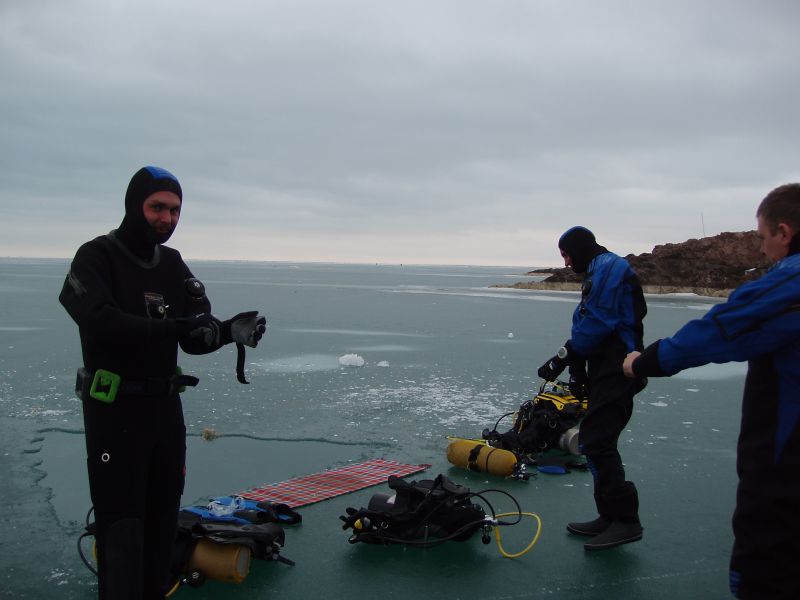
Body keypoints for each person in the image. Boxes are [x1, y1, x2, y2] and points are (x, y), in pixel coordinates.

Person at [59, 166, 267, 599]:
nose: (167, 218)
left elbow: (193, 335)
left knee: (160, 525)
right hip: (115, 414)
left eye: (175, 210)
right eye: (157, 207)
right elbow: (101, 323)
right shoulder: (96, 257)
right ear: (134, 205)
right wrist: (177, 327)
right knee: (122, 530)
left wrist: (227, 331)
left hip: (164, 413)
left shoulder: (172, 264)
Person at [623, 183, 800, 599]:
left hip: (785, 461)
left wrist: (642, 363)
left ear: (784, 232)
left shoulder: (788, 285)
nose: (761, 249)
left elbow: (720, 331)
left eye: (762, 237)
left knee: (768, 567)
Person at [537, 226, 647, 550]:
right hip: (604, 366)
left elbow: (599, 320)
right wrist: (576, 367)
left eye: (567, 255)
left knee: (598, 440)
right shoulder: (597, 271)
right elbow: (585, 322)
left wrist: (564, 357)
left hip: (620, 365)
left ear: (580, 249)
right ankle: (609, 516)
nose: (567, 262)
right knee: (596, 440)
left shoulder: (611, 267)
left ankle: (626, 520)